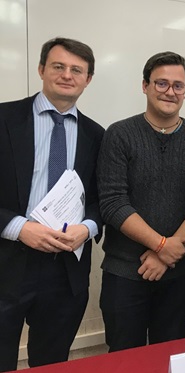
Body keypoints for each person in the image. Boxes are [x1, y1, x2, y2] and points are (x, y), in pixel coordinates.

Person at [97, 52, 185, 352]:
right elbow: (113, 202)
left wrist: (167, 253)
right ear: (145, 86)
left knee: (171, 355)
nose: (170, 92)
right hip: (125, 272)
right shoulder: (119, 134)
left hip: (181, 273)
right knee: (124, 357)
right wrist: (163, 246)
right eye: (161, 83)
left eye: (178, 85)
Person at [0, 37, 104, 371]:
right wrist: (19, 228)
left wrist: (87, 230)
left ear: (88, 80)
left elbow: (103, 200)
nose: (67, 75)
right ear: (42, 69)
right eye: (58, 66)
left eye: (77, 70)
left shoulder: (97, 134)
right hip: (7, 263)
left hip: (66, 270)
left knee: (52, 363)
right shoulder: (4, 119)